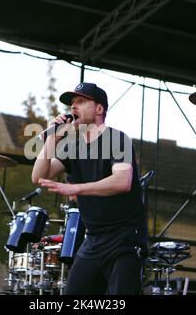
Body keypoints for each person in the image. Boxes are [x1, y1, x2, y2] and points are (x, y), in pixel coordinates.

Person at [31, 82, 148, 295]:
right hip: (94, 240)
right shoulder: (72, 147)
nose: (73, 108)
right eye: (72, 103)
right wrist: (51, 139)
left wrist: (76, 188)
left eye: (81, 102)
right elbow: (38, 176)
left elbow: (122, 182)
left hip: (124, 239)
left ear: (99, 109)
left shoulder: (117, 139)